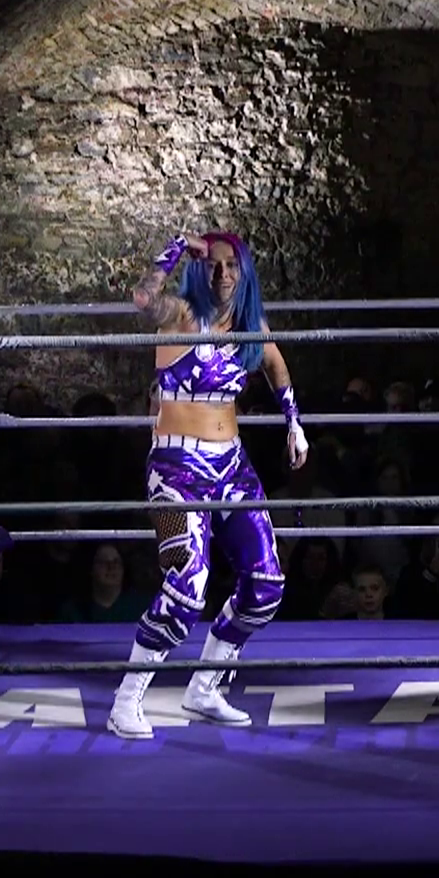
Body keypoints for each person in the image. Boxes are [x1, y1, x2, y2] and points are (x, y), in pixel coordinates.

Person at [109, 230, 308, 739]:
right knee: (185, 586)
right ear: (200, 269)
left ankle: (205, 686)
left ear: (244, 272)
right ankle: (126, 700)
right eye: (214, 265)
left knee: (266, 585)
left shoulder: (249, 325)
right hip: (176, 467)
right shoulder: (180, 315)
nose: (223, 274)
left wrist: (293, 421)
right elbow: (142, 298)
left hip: (233, 466)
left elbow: (276, 364)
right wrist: (177, 248)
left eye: (231, 265)